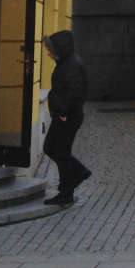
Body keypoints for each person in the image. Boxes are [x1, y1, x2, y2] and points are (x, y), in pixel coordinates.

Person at [42, 30, 91, 206]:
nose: (48, 53)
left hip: (67, 117)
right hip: (66, 115)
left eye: (50, 49)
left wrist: (63, 113)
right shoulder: (66, 62)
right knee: (60, 151)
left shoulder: (71, 65)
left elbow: (74, 92)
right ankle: (67, 190)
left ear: (59, 49)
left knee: (54, 149)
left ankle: (77, 174)